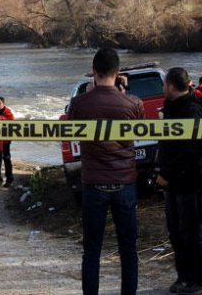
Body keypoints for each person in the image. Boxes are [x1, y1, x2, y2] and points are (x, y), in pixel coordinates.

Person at [66, 48, 145, 295]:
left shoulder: (80, 104)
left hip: (93, 183)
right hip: (125, 184)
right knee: (128, 250)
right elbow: (137, 130)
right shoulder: (134, 103)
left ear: (94, 70)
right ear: (118, 72)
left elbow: (71, 128)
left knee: (92, 250)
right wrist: (123, 93)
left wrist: (90, 93)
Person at [155, 67, 202, 295]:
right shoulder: (173, 108)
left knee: (192, 231)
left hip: (191, 180)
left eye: (164, 84)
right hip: (176, 181)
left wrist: (166, 175)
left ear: (170, 86)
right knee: (177, 231)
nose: (162, 88)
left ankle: (201, 280)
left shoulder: (192, 110)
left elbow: (190, 151)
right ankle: (185, 277)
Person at [0, 96, 15, 187]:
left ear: (3, 103)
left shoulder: (8, 113)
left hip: (5, 142)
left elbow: (12, 126)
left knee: (6, 159)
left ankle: (9, 179)